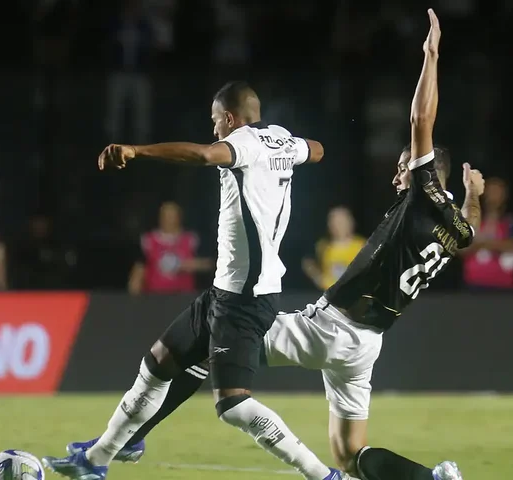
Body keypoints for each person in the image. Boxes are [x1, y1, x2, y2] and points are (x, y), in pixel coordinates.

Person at [64, 10, 481, 480]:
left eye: (405, 166)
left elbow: (421, 117)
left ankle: (132, 440)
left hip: (330, 328)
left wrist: (431, 56)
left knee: (214, 350)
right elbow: (466, 227)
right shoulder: (454, 226)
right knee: (351, 452)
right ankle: (432, 478)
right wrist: (473, 196)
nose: (398, 174)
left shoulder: (422, 192)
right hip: (367, 345)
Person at [42, 81, 348, 480]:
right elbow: (318, 150)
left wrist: (137, 150)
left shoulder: (243, 142)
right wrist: (291, 148)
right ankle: (98, 459)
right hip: (225, 290)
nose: (214, 130)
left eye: (215, 121)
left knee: (234, 405)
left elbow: (204, 155)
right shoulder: (280, 139)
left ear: (230, 119)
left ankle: (323, 476)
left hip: (246, 298)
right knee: (158, 363)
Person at [128, 201, 212, 295]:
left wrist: (188, 265)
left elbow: (209, 264)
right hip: (155, 296)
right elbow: (139, 269)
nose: (170, 220)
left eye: (173, 216)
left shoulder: (192, 240)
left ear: (179, 217)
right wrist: (134, 295)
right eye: (166, 216)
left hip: (185, 296)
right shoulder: (148, 241)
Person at [461, 177, 513, 291]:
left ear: (505, 195)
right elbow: (461, 249)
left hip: (503, 286)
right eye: (490, 191)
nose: (493, 196)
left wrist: (482, 243)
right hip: (474, 285)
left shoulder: (511, 221)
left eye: (497, 192)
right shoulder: (471, 219)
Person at [302, 206, 366, 290]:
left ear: (351, 223)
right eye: (334, 222)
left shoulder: (362, 246)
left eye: (341, 222)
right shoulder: (322, 246)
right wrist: (317, 276)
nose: (337, 226)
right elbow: (309, 264)